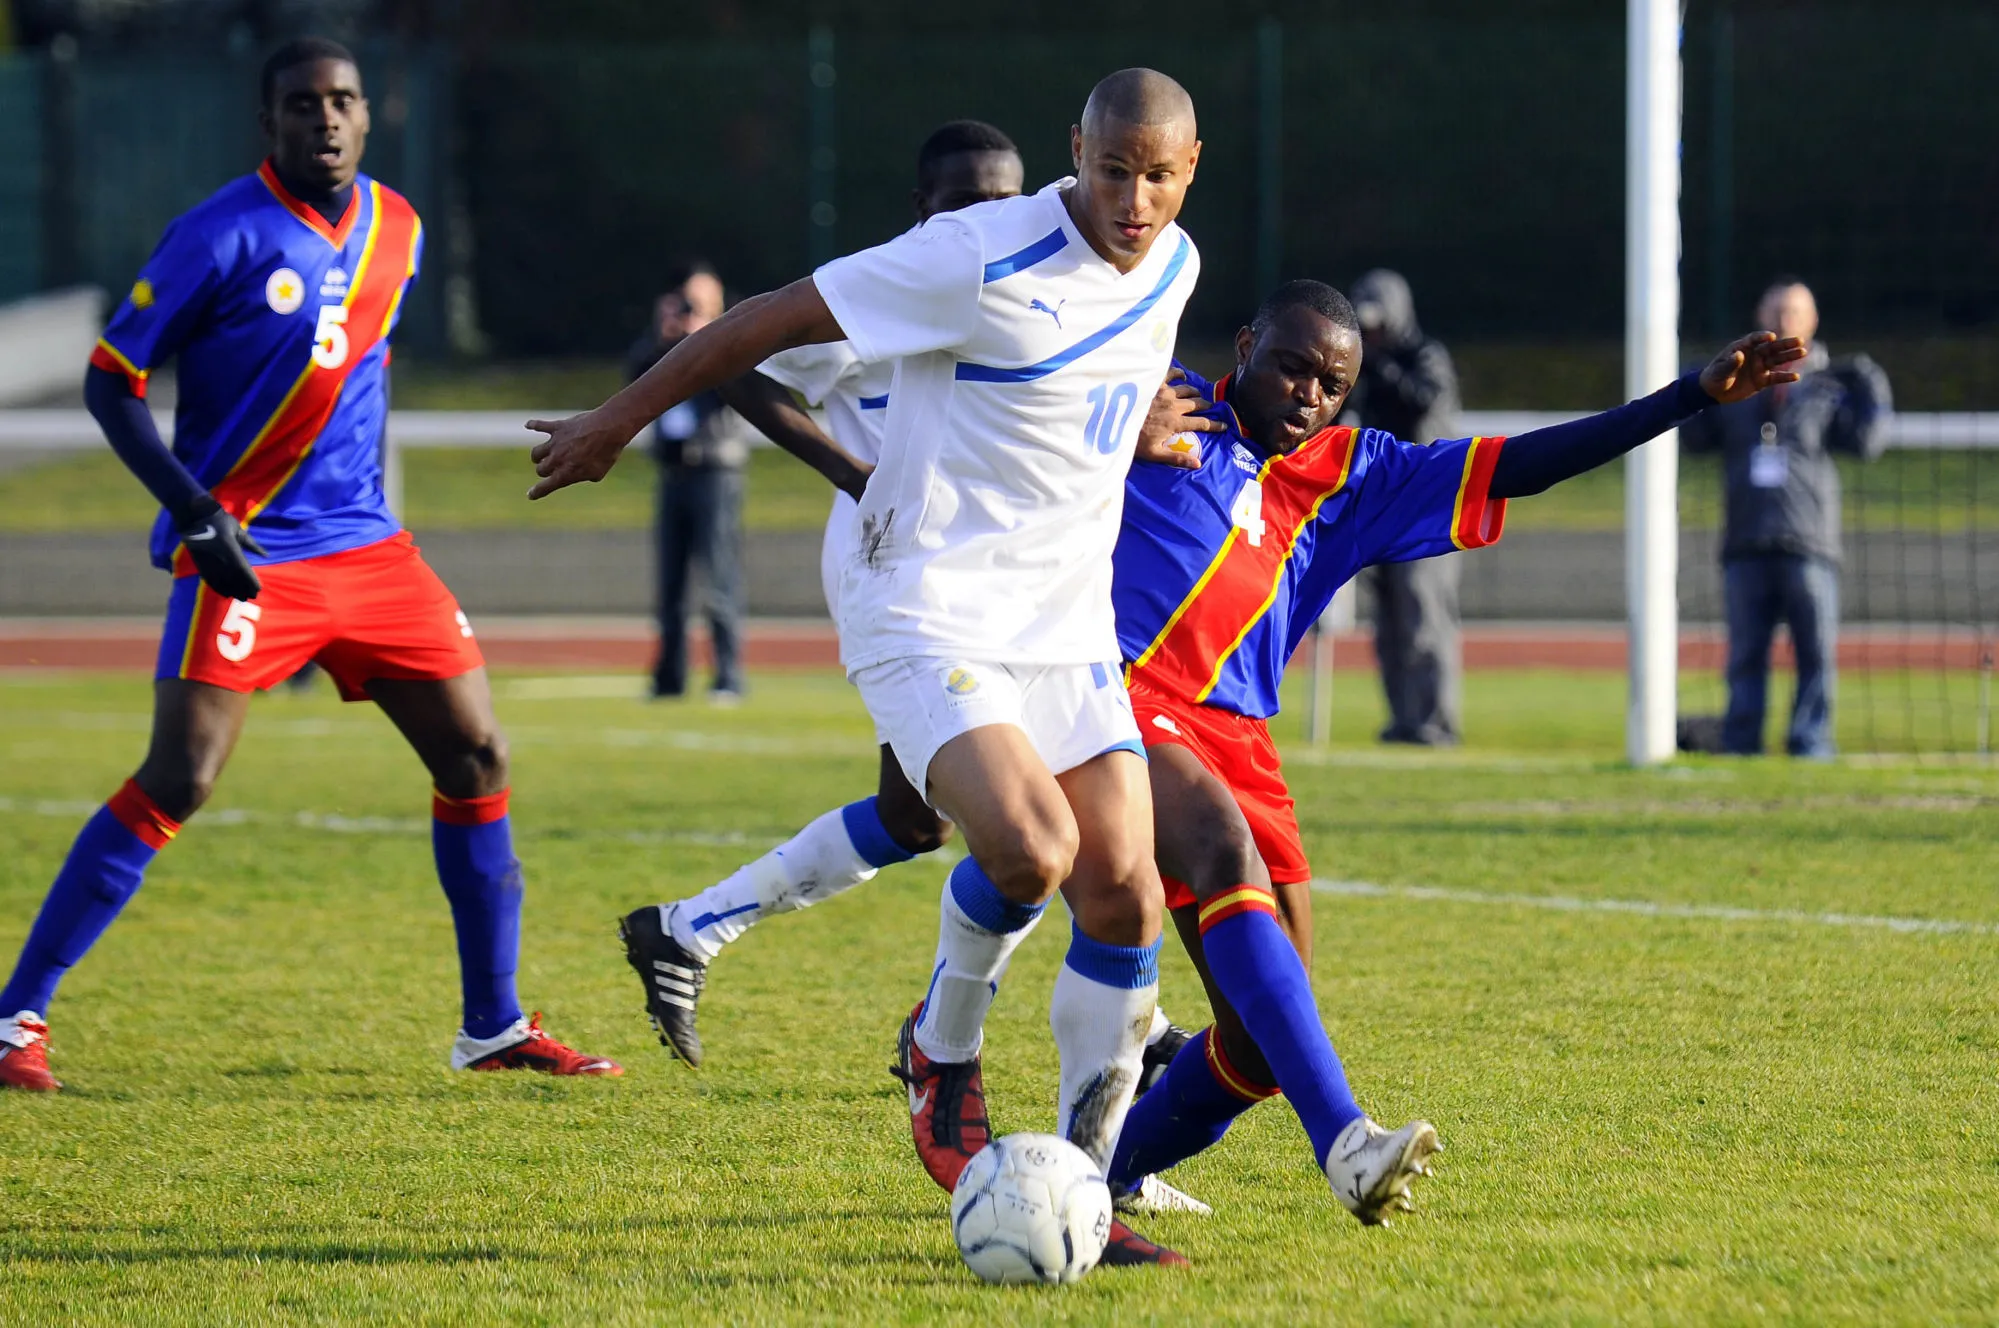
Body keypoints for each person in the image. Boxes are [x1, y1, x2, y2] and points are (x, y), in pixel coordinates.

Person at [529, 67, 1206, 1265]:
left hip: (1064, 623)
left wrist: (1135, 420)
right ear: (1077, 152)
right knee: (1030, 850)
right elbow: (752, 327)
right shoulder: (975, 254)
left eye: (1157, 176)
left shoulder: (1176, 262)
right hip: (929, 604)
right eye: (1113, 170)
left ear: (1187, 171)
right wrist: (614, 423)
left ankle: (1086, 1192)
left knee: (1126, 893)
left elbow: (1101, 371)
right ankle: (941, 1049)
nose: (1133, 199)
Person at [1101, 282, 1808, 1222]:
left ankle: (1102, 1175)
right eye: (1292, 367)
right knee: (1217, 872)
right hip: (1127, 701)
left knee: (1263, 1044)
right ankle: (1348, 1144)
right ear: (1244, 346)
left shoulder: (1354, 472)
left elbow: (1522, 464)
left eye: (1332, 383)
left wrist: (1687, 397)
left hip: (1240, 740)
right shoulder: (1162, 403)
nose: (1309, 394)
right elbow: (1023, 388)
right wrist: (1105, 417)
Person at [0, 39, 619, 1094]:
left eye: (342, 102)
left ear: (369, 117)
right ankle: (16, 1018)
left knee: (475, 755)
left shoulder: (401, 229)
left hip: (370, 547)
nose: (324, 120)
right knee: (180, 775)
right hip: (245, 548)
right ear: (268, 123)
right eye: (301, 105)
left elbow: (347, 363)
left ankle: (494, 1022)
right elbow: (113, 383)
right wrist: (193, 508)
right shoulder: (216, 233)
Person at [1680, 278, 1891, 758]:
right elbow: (1693, 438)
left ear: (1812, 321)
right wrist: (1694, 381)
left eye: (1795, 311)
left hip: (1809, 542)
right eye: (1777, 311)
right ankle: (1741, 741)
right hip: (1746, 542)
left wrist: (1869, 383)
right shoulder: (1737, 387)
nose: (1785, 321)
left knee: (1816, 654)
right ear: (1760, 316)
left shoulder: (1829, 387)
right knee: (1745, 656)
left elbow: (1867, 442)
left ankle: (1810, 742)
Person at [1342, 269, 1466, 745]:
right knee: (1390, 623)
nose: (1371, 334)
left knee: (1426, 615)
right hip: (1383, 509)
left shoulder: (1425, 357)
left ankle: (1435, 721)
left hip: (1426, 508)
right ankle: (1404, 717)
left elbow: (1426, 406)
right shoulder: (1365, 368)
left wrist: (1383, 369)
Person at [627, 263, 753, 701]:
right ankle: (669, 678)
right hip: (674, 471)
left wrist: (701, 335)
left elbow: (729, 386)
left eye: (698, 304)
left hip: (716, 471)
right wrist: (665, 337)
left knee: (719, 579)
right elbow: (635, 380)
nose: (687, 311)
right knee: (670, 586)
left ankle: (728, 676)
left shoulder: (728, 343)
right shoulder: (658, 349)